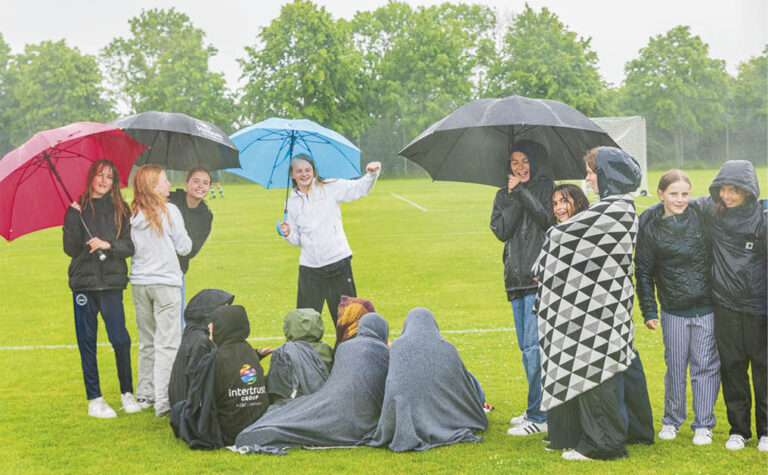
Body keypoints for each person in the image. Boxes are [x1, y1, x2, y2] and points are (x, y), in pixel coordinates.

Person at [534, 146, 651, 461]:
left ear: (607, 174)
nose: (587, 178)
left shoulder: (613, 209)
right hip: (599, 308)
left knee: (596, 373)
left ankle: (604, 444)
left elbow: (557, 240)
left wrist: (544, 266)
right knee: (597, 371)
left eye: (591, 172)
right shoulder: (614, 207)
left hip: (597, 311)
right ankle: (591, 434)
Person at [634, 170, 719, 446]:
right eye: (674, 194)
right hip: (672, 310)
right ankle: (672, 420)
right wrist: (649, 311)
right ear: (661, 195)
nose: (680, 199)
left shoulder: (701, 218)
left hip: (707, 308)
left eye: (685, 193)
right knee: (675, 368)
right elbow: (643, 272)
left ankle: (704, 424)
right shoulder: (650, 228)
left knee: (705, 367)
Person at [689, 160, 766, 452]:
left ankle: (767, 431)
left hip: (759, 306)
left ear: (748, 191)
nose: (728, 196)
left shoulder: (762, 217)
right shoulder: (711, 208)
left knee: (763, 368)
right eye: (724, 189)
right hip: (725, 305)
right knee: (732, 367)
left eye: (735, 190)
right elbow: (678, 203)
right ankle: (739, 430)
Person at [236, 313, 390, 454]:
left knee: (295, 417)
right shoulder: (383, 352)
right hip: (359, 420)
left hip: (329, 402)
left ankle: (259, 431)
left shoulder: (345, 348)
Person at [62, 159, 140, 418]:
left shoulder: (122, 209)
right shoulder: (77, 209)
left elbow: (129, 246)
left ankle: (127, 393)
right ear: (91, 178)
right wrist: (73, 217)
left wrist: (109, 245)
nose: (104, 180)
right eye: (99, 175)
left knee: (120, 339)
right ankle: (94, 399)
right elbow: (71, 250)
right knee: (87, 342)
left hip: (111, 284)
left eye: (109, 176)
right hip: (84, 286)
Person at [489, 140, 555, 436]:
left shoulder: (546, 187)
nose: (520, 167)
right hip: (514, 281)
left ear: (534, 162)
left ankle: (539, 416)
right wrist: (514, 195)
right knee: (526, 348)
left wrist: (524, 191)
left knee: (533, 349)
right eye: (514, 162)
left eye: (525, 161)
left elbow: (545, 219)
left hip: (539, 278)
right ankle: (536, 408)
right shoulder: (504, 195)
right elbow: (501, 231)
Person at [279, 154, 381, 326]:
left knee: (347, 320)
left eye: (307, 170)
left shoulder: (330, 187)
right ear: (292, 174)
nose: (304, 174)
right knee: (305, 323)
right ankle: (305, 353)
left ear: (314, 171)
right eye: (298, 171)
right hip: (309, 270)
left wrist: (371, 174)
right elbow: (297, 240)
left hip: (338, 264)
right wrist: (288, 233)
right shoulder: (291, 202)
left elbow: (359, 188)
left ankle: (349, 352)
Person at [369, 307, 488, 452]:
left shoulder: (398, 346)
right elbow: (463, 384)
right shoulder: (448, 348)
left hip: (407, 417)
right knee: (468, 376)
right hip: (444, 413)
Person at [130, 165, 192, 417]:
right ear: (154, 186)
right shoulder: (170, 210)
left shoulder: (133, 213)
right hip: (166, 283)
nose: (169, 185)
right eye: (165, 181)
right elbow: (185, 247)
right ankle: (164, 401)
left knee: (147, 341)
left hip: (140, 284)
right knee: (167, 343)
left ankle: (145, 394)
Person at [171, 305, 270, 448]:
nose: (210, 326)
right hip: (258, 426)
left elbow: (198, 400)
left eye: (214, 323)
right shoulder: (250, 352)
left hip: (228, 433)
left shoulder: (213, 359)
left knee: (178, 409)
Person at [168, 288, 234, 408]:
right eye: (223, 308)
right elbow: (197, 379)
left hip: (184, 404)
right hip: (191, 409)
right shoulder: (201, 342)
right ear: (209, 313)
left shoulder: (194, 333)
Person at [168, 167, 214, 334]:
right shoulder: (169, 200)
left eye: (205, 183)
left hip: (176, 271)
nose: (201, 186)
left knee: (179, 325)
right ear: (186, 184)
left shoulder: (205, 216)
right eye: (196, 181)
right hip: (155, 268)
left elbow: (191, 250)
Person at [266, 309, 332, 406]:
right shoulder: (329, 350)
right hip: (325, 407)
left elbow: (277, 392)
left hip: (296, 411)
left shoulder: (285, 352)